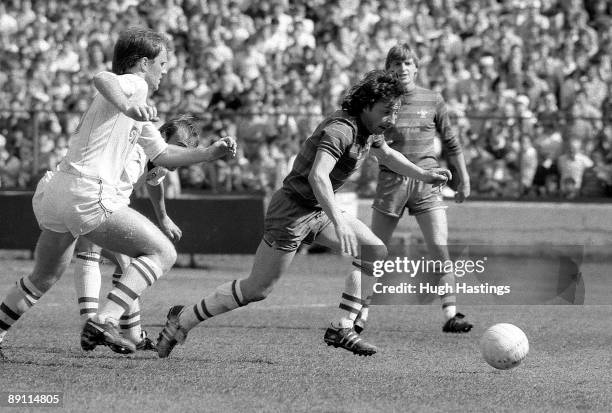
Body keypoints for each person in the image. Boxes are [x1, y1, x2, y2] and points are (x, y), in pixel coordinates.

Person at [155, 70, 452, 358]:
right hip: (292, 212)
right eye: (387, 111)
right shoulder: (341, 129)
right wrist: (338, 220)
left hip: (317, 208)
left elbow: (387, 155)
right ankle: (183, 319)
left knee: (374, 250)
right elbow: (318, 177)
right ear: (366, 105)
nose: (392, 119)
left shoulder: (369, 130)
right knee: (257, 289)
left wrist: (424, 175)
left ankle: (342, 326)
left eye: (395, 112)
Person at [0, 27, 236, 357]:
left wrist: (209, 153)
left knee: (43, 276)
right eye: (163, 63)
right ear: (143, 63)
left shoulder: (138, 110)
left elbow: (165, 155)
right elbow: (102, 77)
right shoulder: (134, 85)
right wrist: (128, 104)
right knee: (163, 253)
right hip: (88, 191)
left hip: (58, 192)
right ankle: (106, 319)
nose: (165, 71)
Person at [359, 43, 473, 335]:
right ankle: (358, 313)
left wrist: (464, 178)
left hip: (428, 181)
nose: (402, 69)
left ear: (417, 68)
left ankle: (452, 314)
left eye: (408, 63)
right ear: (389, 70)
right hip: (392, 181)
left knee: (439, 248)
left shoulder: (432, 99)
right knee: (375, 250)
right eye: (396, 64)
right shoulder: (382, 102)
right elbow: (369, 137)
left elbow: (451, 141)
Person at [73, 116, 198, 353]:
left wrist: (163, 217)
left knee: (49, 272)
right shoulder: (136, 152)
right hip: (88, 195)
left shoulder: (157, 161)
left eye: (187, 151)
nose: (181, 155)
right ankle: (97, 327)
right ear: (161, 138)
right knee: (107, 254)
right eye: (179, 147)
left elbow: (154, 180)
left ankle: (114, 331)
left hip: (94, 198)